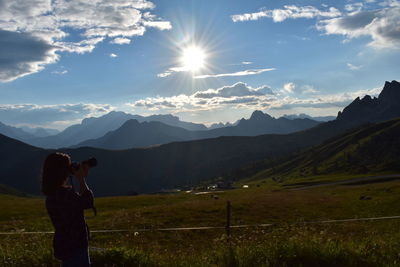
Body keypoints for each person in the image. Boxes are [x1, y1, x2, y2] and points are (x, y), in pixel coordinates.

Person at [42, 152, 94, 267]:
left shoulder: (51, 195)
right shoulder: (65, 194)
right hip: (76, 246)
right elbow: (87, 202)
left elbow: (78, 203)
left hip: (64, 245)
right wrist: (81, 179)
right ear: (62, 171)